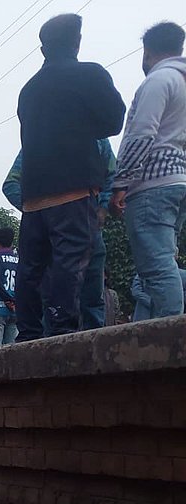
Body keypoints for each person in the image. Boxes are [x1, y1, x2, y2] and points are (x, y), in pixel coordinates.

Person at [13, 14, 126, 342]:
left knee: (31, 268)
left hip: (33, 195)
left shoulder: (28, 90)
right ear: (76, 42)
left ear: (43, 48)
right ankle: (62, 334)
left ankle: (29, 335)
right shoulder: (89, 74)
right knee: (70, 260)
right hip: (73, 190)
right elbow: (113, 120)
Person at [110, 21, 186, 321]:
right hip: (178, 180)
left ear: (147, 51)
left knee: (156, 267)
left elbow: (142, 134)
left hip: (152, 183)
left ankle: (171, 335)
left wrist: (121, 183)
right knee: (164, 262)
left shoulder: (160, 80)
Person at [1, 138, 117, 330]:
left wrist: (101, 210)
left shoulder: (97, 139)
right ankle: (53, 350)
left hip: (89, 228)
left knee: (93, 298)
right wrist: (38, 212)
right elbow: (11, 184)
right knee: (55, 303)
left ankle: (95, 351)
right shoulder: (39, 140)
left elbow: (111, 175)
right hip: (55, 236)